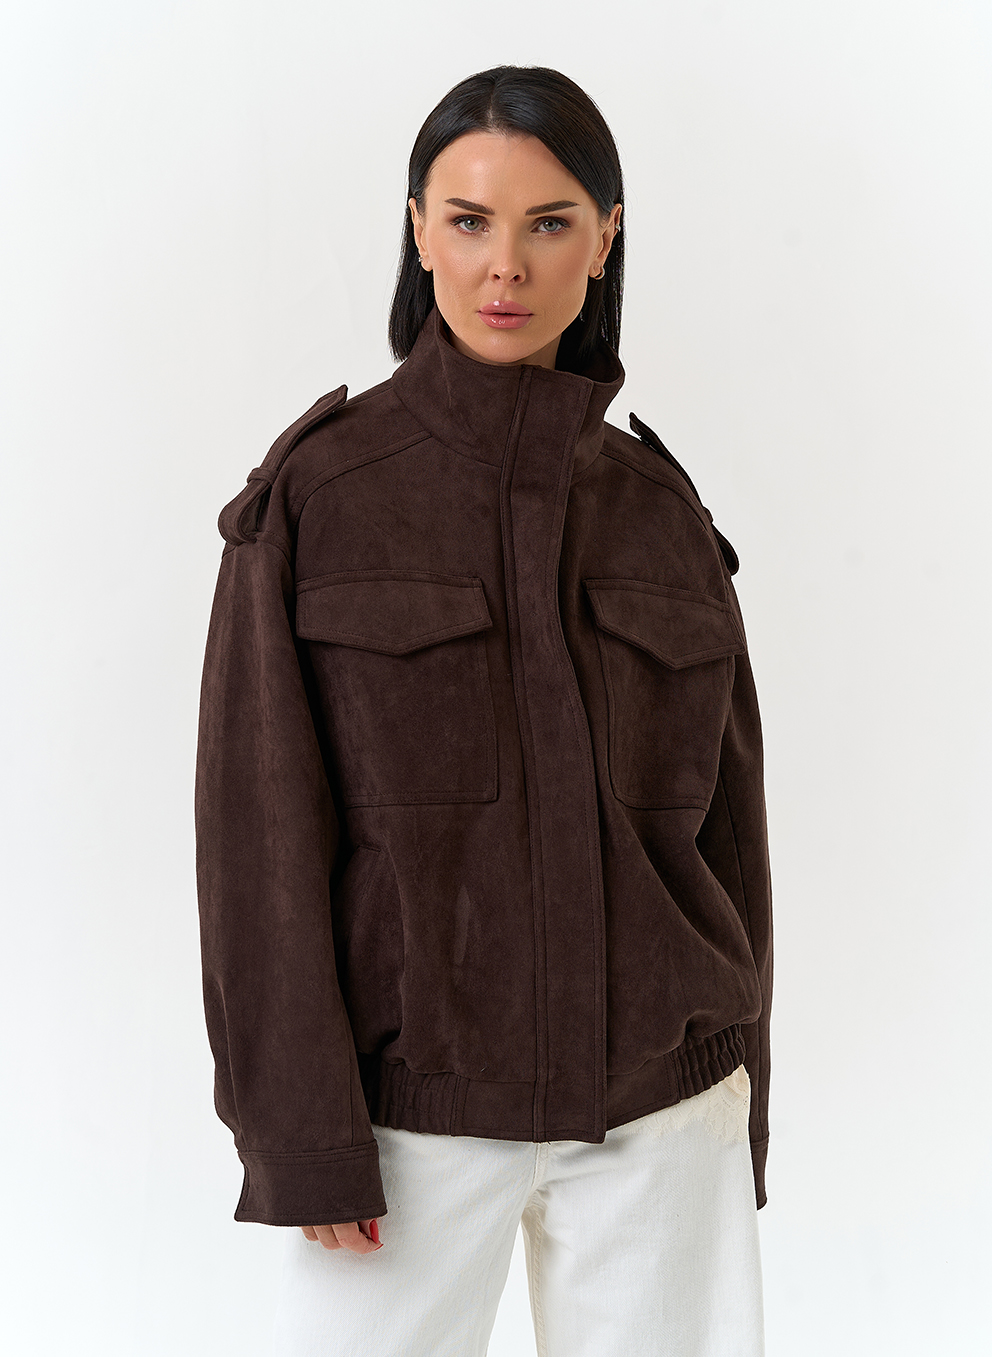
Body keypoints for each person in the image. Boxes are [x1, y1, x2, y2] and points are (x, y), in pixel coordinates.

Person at [195, 64, 773, 1357]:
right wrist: (300, 1133)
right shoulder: (319, 499)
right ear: (418, 231)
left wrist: (746, 1100)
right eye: (468, 220)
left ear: (605, 238)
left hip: (661, 1116)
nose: (505, 265)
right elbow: (257, 841)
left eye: (549, 222)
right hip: (408, 1123)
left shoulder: (664, 516)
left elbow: (732, 844)